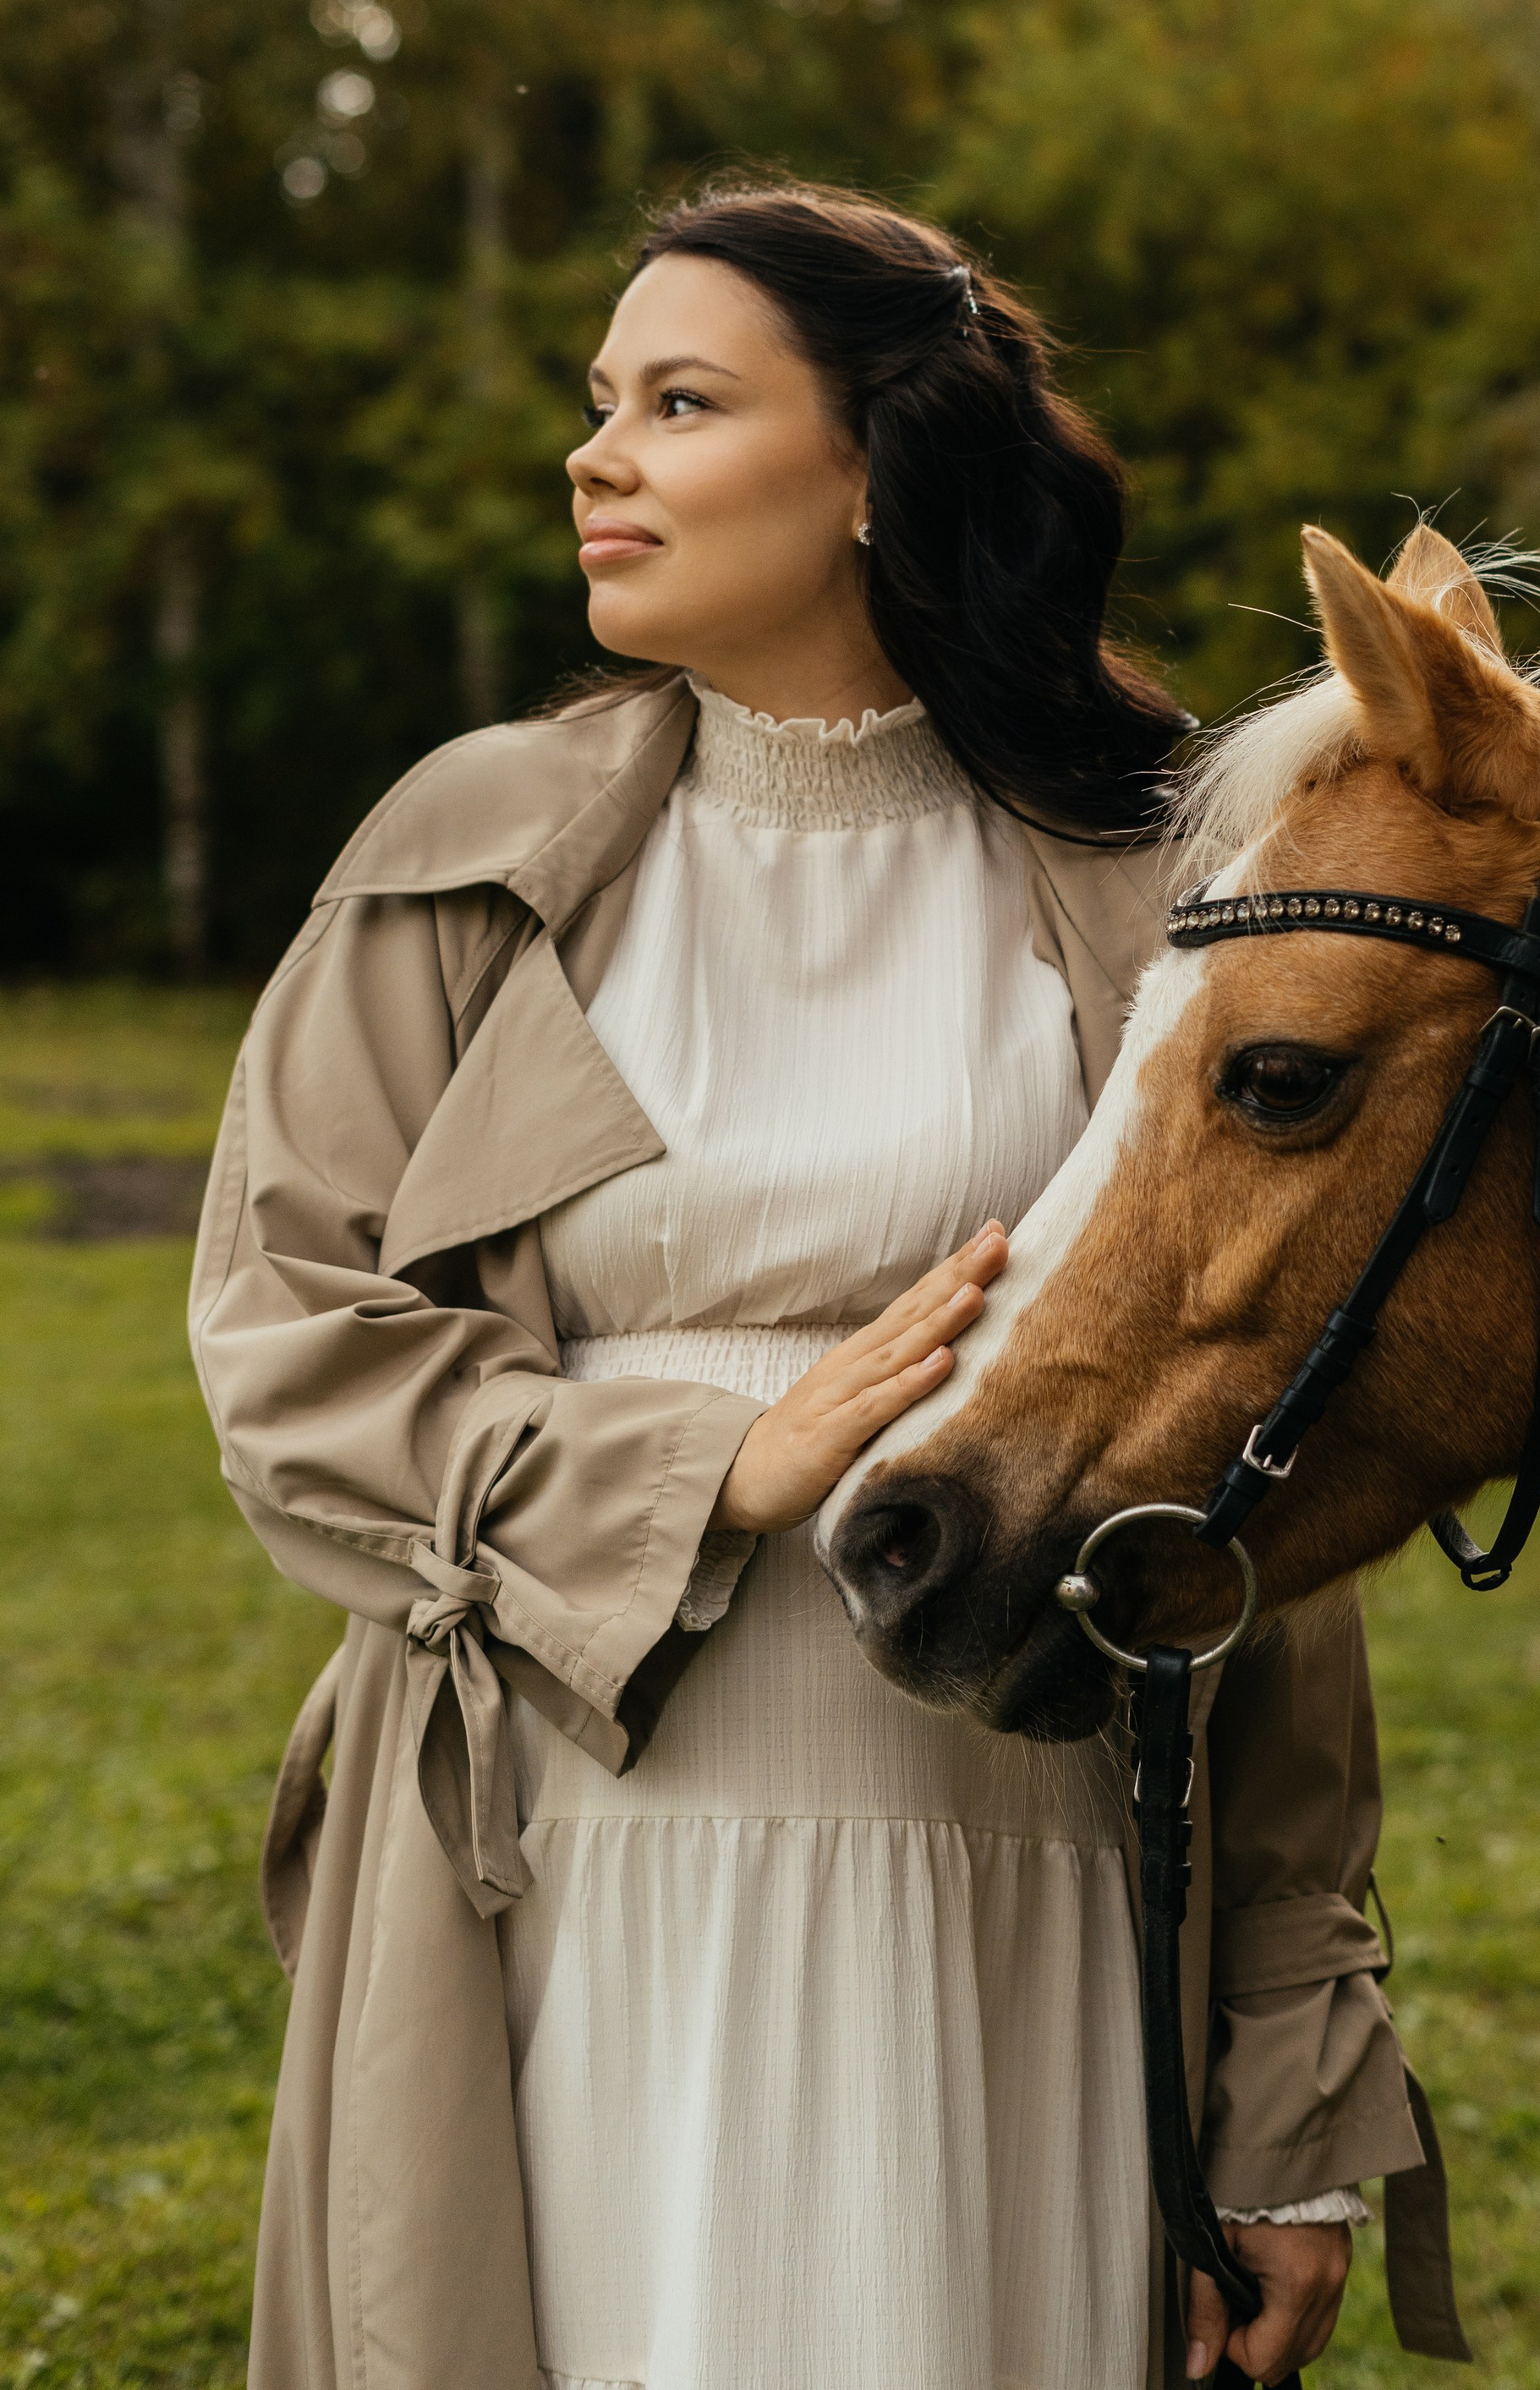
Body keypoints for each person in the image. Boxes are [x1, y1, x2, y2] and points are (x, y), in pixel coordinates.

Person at [190, 180, 1461, 2390]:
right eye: (600, 401)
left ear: (876, 467)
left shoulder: (1157, 892)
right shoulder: (467, 857)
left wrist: (1288, 2096)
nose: (596, 455)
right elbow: (287, 1348)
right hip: (572, 1873)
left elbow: (1258, 1500)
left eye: (680, 403)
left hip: (1028, 1888)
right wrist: (707, 1469)